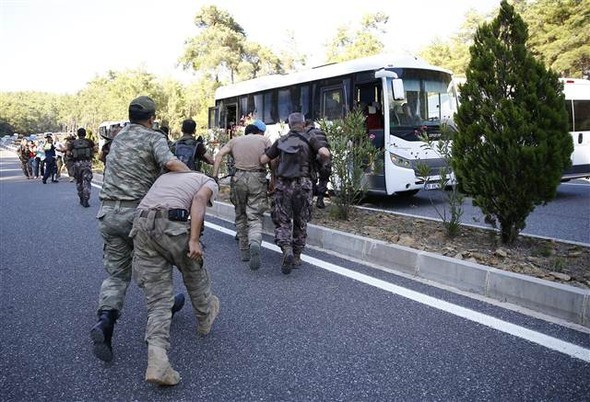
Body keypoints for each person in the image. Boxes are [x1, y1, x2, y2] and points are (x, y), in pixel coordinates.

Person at [91, 96, 190, 363]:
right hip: (139, 215)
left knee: (116, 274)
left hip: (108, 212)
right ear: (151, 118)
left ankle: (105, 321)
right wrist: (195, 179)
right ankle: (162, 316)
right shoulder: (153, 137)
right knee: (156, 266)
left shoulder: (119, 138)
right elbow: (170, 164)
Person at [131, 171, 219, 386]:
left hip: (141, 226)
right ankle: (205, 317)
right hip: (172, 224)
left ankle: (158, 362)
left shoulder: (165, 176)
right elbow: (198, 200)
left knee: (159, 300)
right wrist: (195, 239)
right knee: (194, 272)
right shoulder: (207, 181)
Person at [260, 112, 330, 274]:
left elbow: (263, 160)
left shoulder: (281, 140)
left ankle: (286, 249)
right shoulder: (310, 138)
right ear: (304, 124)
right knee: (301, 220)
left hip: (283, 185)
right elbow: (325, 153)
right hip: (304, 184)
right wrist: (319, 162)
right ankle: (297, 255)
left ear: (290, 125)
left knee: (283, 220)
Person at [212, 120, 271, 270]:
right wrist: (274, 177)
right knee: (255, 215)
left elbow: (219, 155)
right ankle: (255, 241)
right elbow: (273, 159)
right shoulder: (264, 140)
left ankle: (244, 250)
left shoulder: (235, 141)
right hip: (257, 177)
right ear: (257, 132)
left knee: (240, 214)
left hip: (238, 178)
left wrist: (215, 177)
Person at [305, 120, 332, 209]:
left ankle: (309, 202)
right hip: (326, 158)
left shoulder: (306, 133)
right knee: (324, 179)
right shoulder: (321, 132)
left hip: (315, 156)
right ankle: (320, 200)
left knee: (312, 179)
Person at [68, 128, 96, 207]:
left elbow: (68, 153)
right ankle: (86, 199)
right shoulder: (89, 142)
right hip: (87, 163)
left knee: (79, 181)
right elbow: (95, 149)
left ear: (77, 134)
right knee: (87, 181)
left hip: (77, 164)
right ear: (85, 134)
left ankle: (81, 197)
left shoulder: (73, 143)